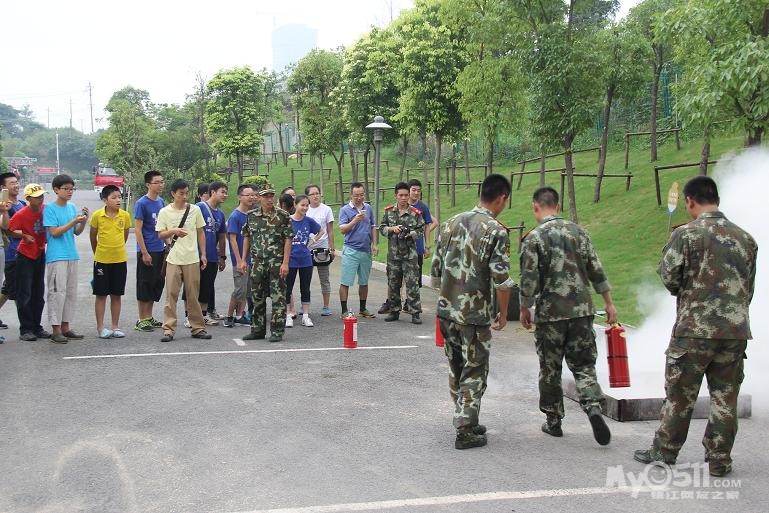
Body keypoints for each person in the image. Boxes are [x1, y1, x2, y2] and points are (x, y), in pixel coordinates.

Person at [633, 176, 757, 478]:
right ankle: (719, 460)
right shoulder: (746, 238)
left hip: (693, 331)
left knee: (680, 395)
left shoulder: (686, 235)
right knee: (725, 397)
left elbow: (671, 280)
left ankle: (664, 451)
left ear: (689, 201)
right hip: (734, 332)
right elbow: (748, 289)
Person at [519, 186, 617, 446]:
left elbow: (528, 281)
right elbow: (597, 270)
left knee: (550, 368)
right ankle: (593, 405)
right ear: (558, 205)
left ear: (535, 207)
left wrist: (524, 308)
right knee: (584, 364)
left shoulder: (534, 238)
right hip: (582, 311)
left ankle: (553, 421)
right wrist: (609, 304)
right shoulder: (579, 233)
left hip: (551, 314)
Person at [431, 174, 514, 449]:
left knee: (456, 366)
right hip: (474, 315)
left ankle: (465, 415)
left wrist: (446, 298)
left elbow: (434, 271)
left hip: (446, 310)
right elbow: (501, 280)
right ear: (501, 198)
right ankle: (466, 428)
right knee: (475, 368)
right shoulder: (496, 231)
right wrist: (503, 313)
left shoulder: (450, 223)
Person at [155, 179, 211, 342]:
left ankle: (198, 328)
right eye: (181, 193)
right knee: (171, 295)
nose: (184, 196)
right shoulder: (165, 212)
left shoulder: (195, 210)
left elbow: (201, 232)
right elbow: (160, 234)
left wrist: (203, 254)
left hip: (192, 258)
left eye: (186, 193)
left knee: (193, 295)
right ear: (173, 194)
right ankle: (168, 329)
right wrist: (174, 231)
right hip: (173, 258)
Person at [241, 183, 293, 342]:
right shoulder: (251, 216)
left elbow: (288, 239)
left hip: (276, 264)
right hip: (257, 263)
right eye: (266, 196)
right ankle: (257, 330)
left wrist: (285, 263)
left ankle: (277, 331)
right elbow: (247, 237)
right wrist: (243, 260)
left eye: (271, 196)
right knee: (257, 297)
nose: (269, 199)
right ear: (259, 198)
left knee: (278, 298)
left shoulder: (282, 216)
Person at [379, 178, 437, 314]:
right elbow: (381, 228)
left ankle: (415, 312)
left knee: (413, 284)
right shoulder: (389, 212)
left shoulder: (416, 213)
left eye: (406, 195)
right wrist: (392, 229)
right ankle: (394, 311)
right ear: (396, 196)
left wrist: (411, 234)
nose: (404, 198)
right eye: (401, 195)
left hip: (410, 255)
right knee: (393, 283)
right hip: (394, 255)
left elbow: (422, 229)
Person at [44, 174, 88, 344]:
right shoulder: (50, 208)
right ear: (56, 190)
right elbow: (54, 232)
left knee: (70, 293)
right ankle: (55, 330)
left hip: (72, 254)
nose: (70, 192)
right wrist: (73, 221)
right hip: (57, 256)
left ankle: (66, 327)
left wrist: (83, 221)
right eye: (66, 189)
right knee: (57, 293)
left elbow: (76, 232)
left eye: (72, 189)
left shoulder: (71, 207)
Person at [89, 185, 131, 338]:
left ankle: (115, 327)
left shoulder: (125, 216)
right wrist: (98, 253)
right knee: (101, 295)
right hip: (101, 260)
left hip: (120, 259)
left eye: (119, 197)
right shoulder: (97, 216)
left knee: (116, 294)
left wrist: (117, 249)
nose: (118, 200)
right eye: (114, 197)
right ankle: (101, 328)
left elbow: (125, 235)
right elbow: (93, 237)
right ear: (105, 200)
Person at [184, 181, 227, 327]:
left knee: (206, 286)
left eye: (226, 192)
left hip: (212, 257)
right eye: (222, 191)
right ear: (213, 192)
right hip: (194, 255)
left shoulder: (220, 214)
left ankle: (203, 315)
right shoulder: (199, 208)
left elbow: (222, 236)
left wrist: (222, 256)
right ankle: (189, 316)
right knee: (191, 286)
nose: (225, 195)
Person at [10, 184, 49, 341]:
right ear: (28, 199)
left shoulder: (46, 209)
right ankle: (25, 329)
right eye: (36, 196)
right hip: (25, 255)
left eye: (41, 195)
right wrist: (24, 236)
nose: (40, 198)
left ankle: (36, 326)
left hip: (40, 253)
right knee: (24, 293)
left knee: (39, 293)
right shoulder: (22, 213)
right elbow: (9, 228)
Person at [338, 182, 377, 319]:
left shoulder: (368, 208)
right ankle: (344, 310)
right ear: (351, 195)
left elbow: (372, 226)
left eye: (361, 195)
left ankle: (363, 308)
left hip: (366, 250)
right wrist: (355, 220)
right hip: (351, 249)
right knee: (346, 281)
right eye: (356, 195)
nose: (359, 198)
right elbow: (342, 229)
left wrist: (375, 244)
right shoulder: (345, 210)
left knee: (364, 281)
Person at [134, 170, 166, 332]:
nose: (160, 185)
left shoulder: (161, 202)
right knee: (144, 283)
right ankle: (141, 319)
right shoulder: (142, 203)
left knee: (155, 283)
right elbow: (138, 230)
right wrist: (144, 252)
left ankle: (149, 316)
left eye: (162, 182)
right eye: (157, 182)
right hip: (147, 249)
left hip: (160, 248)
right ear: (148, 184)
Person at [286, 194, 323, 328]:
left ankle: (306, 316)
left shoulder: (309, 221)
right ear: (295, 205)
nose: (305, 208)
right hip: (290, 259)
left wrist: (312, 241)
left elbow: (321, 231)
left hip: (305, 259)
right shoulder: (287, 220)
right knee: (287, 288)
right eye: (302, 205)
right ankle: (288, 315)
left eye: (307, 205)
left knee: (305, 288)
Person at [223, 183, 256, 327]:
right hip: (240, 260)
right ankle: (229, 317)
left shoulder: (250, 214)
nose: (251, 197)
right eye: (247, 195)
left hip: (250, 259)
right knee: (239, 289)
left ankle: (240, 315)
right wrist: (239, 260)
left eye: (252, 195)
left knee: (247, 289)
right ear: (239, 197)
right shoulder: (235, 216)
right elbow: (232, 239)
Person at [305, 184, 335, 316]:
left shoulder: (326, 209)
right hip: (307, 249)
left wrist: (332, 248)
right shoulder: (304, 210)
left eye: (317, 193)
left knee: (324, 278)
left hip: (322, 248)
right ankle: (305, 305)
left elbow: (330, 230)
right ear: (308, 197)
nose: (316, 196)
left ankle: (326, 306)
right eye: (312, 194)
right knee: (305, 278)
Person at [0, 172, 24, 333]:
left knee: (8, 289)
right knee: (17, 289)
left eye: (17, 182)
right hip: (10, 253)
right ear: (3, 187)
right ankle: (26, 325)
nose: (16, 185)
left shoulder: (22, 204)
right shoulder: (3, 206)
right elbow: (7, 228)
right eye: (11, 183)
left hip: (24, 252)